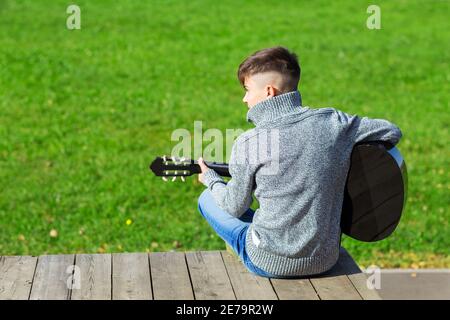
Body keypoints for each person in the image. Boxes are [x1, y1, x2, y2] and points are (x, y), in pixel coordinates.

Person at [197, 46, 402, 278]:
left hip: (269, 262)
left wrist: (211, 180)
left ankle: (246, 246)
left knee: (208, 199)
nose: (244, 99)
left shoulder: (249, 142)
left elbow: (235, 206)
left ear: (268, 92)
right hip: (325, 259)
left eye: (246, 90)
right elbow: (391, 131)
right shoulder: (335, 122)